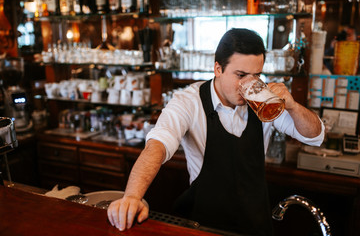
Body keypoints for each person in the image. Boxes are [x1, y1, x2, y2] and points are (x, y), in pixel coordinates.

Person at [107, 28, 324, 236]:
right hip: (202, 226)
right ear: (218, 69)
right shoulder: (188, 101)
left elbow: (314, 137)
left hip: (255, 225)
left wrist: (293, 106)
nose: (248, 85)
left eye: (256, 75)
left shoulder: (264, 101)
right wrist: (133, 196)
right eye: (241, 75)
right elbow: (157, 145)